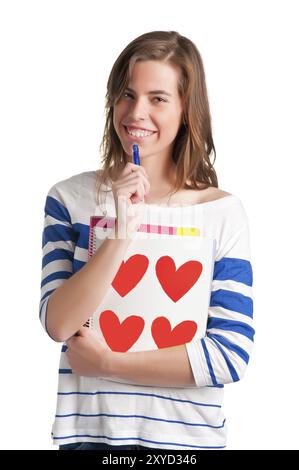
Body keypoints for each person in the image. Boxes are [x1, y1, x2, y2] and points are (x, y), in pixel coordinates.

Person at [39, 30, 254, 451]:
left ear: (187, 112)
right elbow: (58, 323)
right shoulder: (68, 199)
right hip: (89, 440)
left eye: (158, 98)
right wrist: (120, 232)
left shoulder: (222, 213)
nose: (136, 112)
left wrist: (108, 364)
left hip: (187, 444)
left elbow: (230, 354)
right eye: (126, 94)